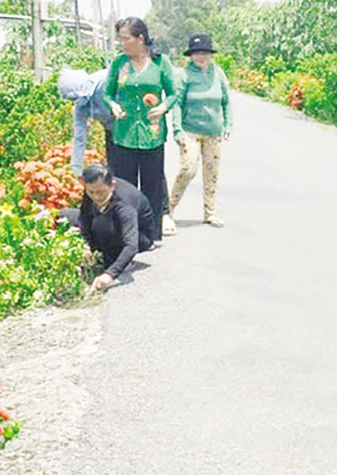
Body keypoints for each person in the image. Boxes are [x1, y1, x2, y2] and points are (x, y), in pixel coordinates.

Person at [104, 17, 182, 240]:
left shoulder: (161, 63)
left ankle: (150, 234)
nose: (122, 43)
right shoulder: (119, 63)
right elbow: (107, 94)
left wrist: (164, 107)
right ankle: (126, 233)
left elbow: (174, 93)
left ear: (139, 39)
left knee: (152, 184)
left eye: (125, 38)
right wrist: (114, 106)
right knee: (124, 186)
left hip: (152, 133)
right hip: (124, 133)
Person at [59, 165, 156, 293]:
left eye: (101, 192)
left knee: (101, 224)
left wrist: (110, 275)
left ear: (113, 186)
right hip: (109, 221)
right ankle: (99, 251)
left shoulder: (124, 204)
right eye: (91, 192)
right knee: (64, 215)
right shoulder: (93, 189)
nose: (96, 197)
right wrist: (85, 244)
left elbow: (131, 245)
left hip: (139, 237)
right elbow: (85, 216)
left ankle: (116, 259)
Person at [169, 34, 232, 229]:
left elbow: (226, 101)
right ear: (191, 56)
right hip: (190, 131)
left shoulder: (218, 73)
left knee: (212, 172)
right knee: (188, 169)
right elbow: (177, 103)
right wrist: (177, 129)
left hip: (214, 132)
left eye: (204, 53)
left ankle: (210, 212)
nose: (200, 57)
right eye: (196, 53)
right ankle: (169, 208)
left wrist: (228, 125)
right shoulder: (184, 75)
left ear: (210, 54)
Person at [57, 67, 114, 175]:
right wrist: (75, 171)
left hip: (130, 125)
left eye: (74, 99)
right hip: (112, 132)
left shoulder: (105, 81)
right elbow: (79, 138)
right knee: (116, 170)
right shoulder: (80, 107)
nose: (74, 102)